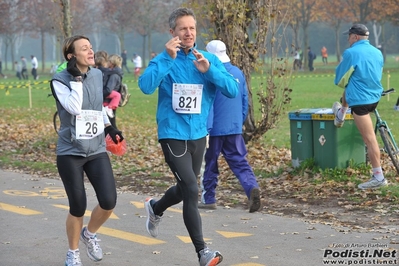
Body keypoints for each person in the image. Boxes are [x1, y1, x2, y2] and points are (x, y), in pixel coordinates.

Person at [138, 7, 238, 266]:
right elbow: (146, 86)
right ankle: (203, 252)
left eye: (192, 28)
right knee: (192, 189)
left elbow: (231, 90)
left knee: (186, 189)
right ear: (172, 32)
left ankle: (156, 207)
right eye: (183, 28)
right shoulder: (164, 58)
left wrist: (209, 71)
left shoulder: (206, 59)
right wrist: (166, 59)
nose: (188, 32)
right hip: (172, 134)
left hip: (198, 135)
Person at [50, 35, 124, 266]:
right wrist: (76, 78)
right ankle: (73, 253)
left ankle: (89, 234)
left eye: (91, 47)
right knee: (78, 205)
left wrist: (109, 126)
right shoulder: (59, 80)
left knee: (109, 201)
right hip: (70, 151)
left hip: (96, 147)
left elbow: (95, 106)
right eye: (84, 49)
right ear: (71, 56)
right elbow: (73, 107)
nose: (91, 51)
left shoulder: (97, 74)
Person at [198, 40, 261, 213]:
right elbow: (244, 102)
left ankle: (208, 197)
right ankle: (251, 188)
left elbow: (206, 104)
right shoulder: (238, 73)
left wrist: (206, 128)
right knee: (239, 161)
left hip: (213, 128)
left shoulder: (207, 73)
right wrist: (237, 123)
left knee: (209, 163)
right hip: (233, 127)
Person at [332, 24, 386, 190]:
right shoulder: (377, 52)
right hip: (375, 96)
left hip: (360, 102)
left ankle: (379, 177)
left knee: (369, 139)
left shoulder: (351, 52)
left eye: (349, 36)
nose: (348, 39)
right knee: (349, 89)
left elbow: (339, 77)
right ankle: (341, 113)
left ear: (355, 37)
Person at [103, 54, 123, 128]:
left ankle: (116, 139)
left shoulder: (114, 75)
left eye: (108, 61)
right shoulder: (115, 73)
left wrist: (100, 95)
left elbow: (109, 89)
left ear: (112, 63)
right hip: (110, 102)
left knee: (110, 125)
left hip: (107, 103)